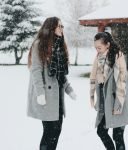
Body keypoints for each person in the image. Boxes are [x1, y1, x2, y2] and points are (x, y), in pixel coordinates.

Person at [27, 17, 76, 150]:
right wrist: (40, 93)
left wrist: (69, 89)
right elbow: (36, 70)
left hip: (57, 95)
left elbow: (60, 74)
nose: (62, 28)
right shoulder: (39, 44)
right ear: (51, 27)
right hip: (46, 95)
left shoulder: (59, 45)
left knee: (57, 130)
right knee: (50, 131)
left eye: (62, 26)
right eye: (59, 26)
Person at [90, 32, 128, 150]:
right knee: (101, 131)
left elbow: (122, 81)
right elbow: (97, 80)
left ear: (107, 44)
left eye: (99, 47)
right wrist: (97, 99)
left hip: (119, 100)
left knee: (118, 136)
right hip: (106, 102)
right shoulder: (98, 58)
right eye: (95, 48)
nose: (97, 50)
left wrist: (118, 104)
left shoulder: (118, 57)